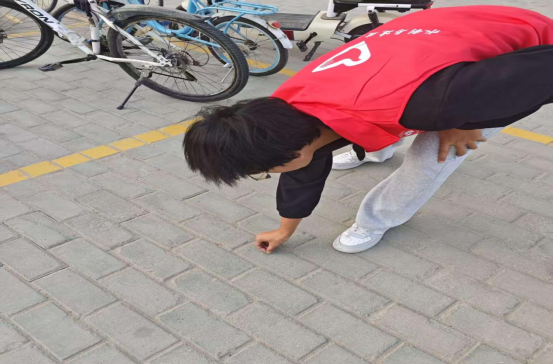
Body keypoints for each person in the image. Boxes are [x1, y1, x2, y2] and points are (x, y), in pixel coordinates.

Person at [184, 5, 553, 254]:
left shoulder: (438, 102)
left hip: (515, 40)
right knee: (387, 117)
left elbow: (536, 77)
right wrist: (285, 229)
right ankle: (375, 152)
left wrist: (468, 121)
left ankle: (376, 221)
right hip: (432, 35)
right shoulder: (282, 110)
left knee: (431, 156)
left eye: (264, 172)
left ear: (289, 155)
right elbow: (302, 170)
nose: (269, 174)